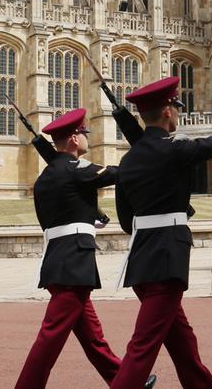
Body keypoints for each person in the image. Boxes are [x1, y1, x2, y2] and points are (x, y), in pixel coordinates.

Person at [110, 76, 212, 389]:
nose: (178, 113)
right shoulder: (175, 150)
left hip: (140, 258)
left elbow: (124, 220)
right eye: (176, 107)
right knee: (141, 350)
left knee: (183, 344)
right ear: (168, 112)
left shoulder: (127, 161)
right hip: (166, 257)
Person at [15, 109, 156, 389]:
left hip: (61, 258)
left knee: (92, 336)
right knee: (50, 336)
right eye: (82, 134)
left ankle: (122, 379)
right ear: (73, 139)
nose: (85, 139)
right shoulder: (75, 170)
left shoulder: (46, 178)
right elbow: (115, 174)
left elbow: (58, 214)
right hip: (73, 262)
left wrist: (88, 215)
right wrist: (150, 158)